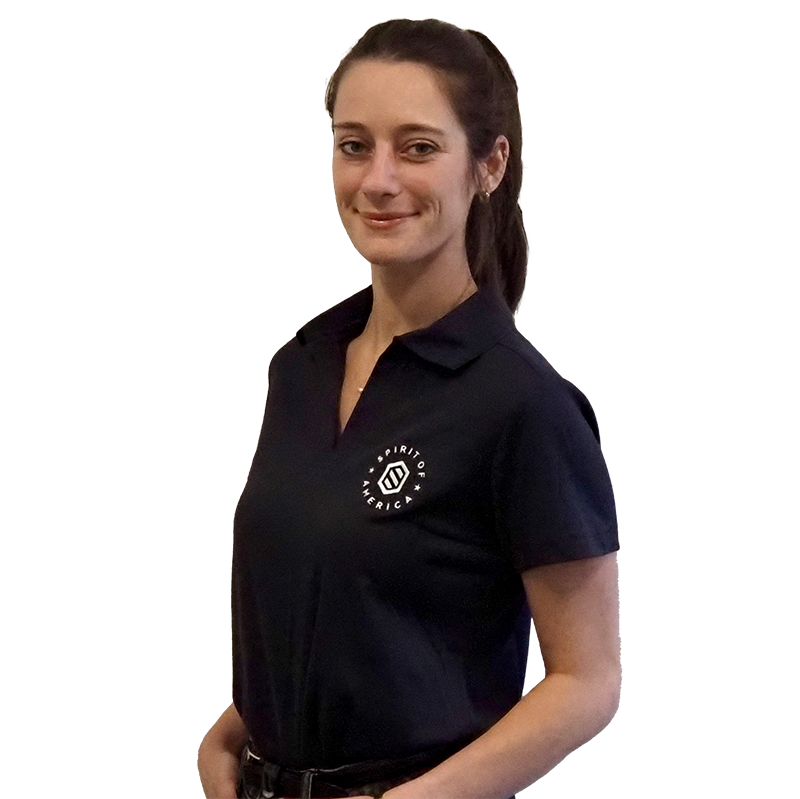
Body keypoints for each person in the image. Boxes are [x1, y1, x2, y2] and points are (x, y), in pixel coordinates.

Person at [198, 18, 620, 799]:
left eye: (418, 147)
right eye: (354, 145)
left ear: (489, 164)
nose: (378, 180)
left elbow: (587, 680)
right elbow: (342, 611)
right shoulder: (300, 368)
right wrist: (232, 732)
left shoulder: (524, 405)